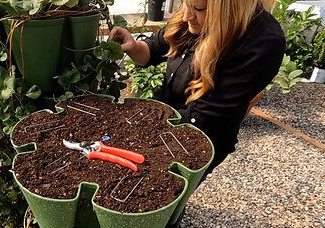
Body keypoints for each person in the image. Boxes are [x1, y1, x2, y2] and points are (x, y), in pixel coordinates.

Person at [110, 0, 286, 176]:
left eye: (198, 9)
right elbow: (156, 48)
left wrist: (141, 138)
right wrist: (134, 47)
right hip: (164, 123)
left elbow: (204, 119)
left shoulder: (262, 42)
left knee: (162, 189)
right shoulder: (192, 14)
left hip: (197, 139)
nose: (186, 15)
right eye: (185, 3)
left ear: (229, 8)